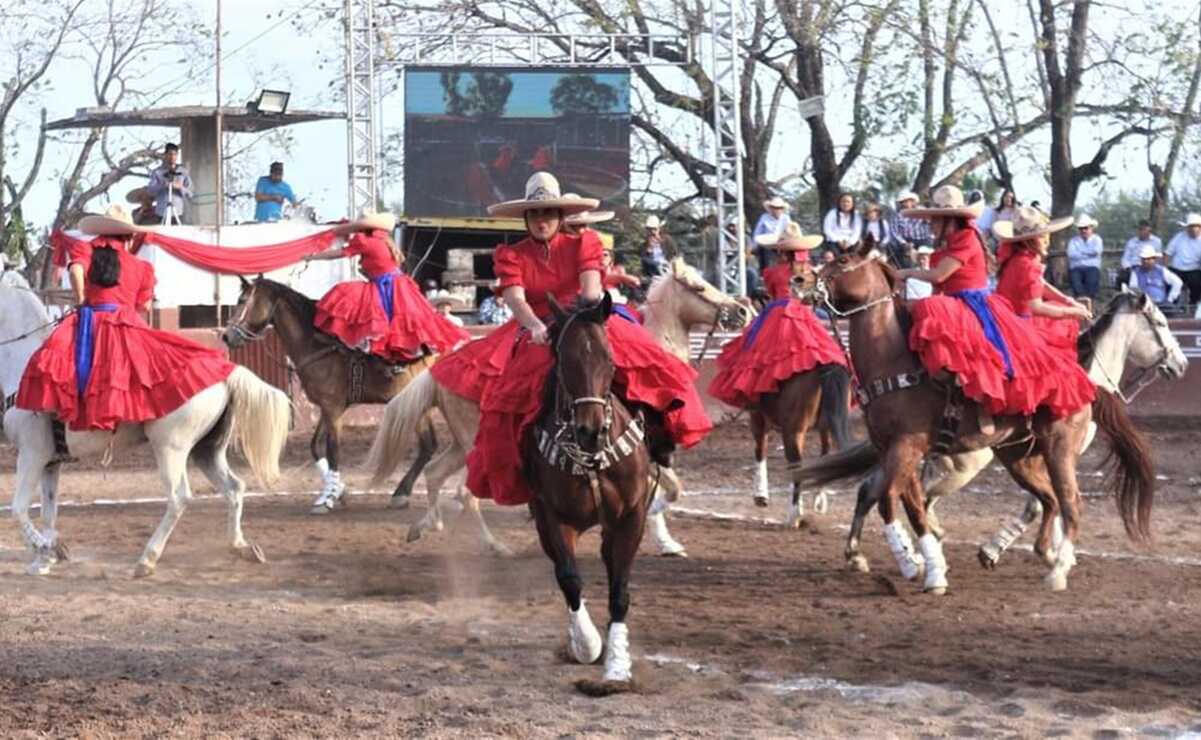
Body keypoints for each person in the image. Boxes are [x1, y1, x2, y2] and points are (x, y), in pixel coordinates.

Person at [426, 172, 712, 505]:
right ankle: (532, 468)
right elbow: (516, 298)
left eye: (548, 212)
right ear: (526, 219)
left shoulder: (584, 243)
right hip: (539, 328)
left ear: (561, 216)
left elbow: (591, 290)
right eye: (534, 213)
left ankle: (655, 448)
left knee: (643, 369)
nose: (541, 220)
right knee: (512, 398)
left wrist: (580, 320)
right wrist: (534, 325)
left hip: (582, 317)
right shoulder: (512, 254)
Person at [16, 205, 235, 432]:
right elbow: (145, 306)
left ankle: (58, 430)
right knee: (142, 370)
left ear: (101, 233)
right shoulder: (141, 267)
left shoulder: (85, 249)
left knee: (54, 360)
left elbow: (75, 271)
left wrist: (82, 300)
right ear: (129, 237)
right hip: (125, 321)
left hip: (90, 320)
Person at [892, 186, 1094, 419]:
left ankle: (962, 395)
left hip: (974, 302)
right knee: (922, 308)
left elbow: (939, 275)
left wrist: (907, 273)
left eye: (935, 220)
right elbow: (940, 284)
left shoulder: (968, 239)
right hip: (959, 301)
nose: (930, 225)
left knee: (930, 309)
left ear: (950, 220)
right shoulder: (958, 244)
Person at [709, 221, 846, 414]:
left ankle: (760, 400)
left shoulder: (773, 273)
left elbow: (773, 293)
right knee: (820, 349)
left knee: (759, 356)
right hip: (800, 313)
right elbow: (809, 299)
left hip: (776, 313)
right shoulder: (808, 272)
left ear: (782, 252)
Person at [305, 210, 469, 363]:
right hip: (398, 285)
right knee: (408, 322)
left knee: (344, 295)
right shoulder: (383, 240)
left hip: (386, 286)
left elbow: (338, 254)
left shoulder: (366, 242)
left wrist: (313, 257)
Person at [992, 207, 1093, 361]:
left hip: (1010, 318)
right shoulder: (1026, 263)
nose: (1047, 240)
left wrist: (1068, 301)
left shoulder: (1021, 257)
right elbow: (1036, 307)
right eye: (1042, 236)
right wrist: (1072, 312)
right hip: (1015, 325)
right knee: (1057, 362)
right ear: (1029, 240)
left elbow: (1041, 284)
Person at [146, 143, 192, 224]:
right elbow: (150, 190)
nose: (172, 157)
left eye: (175, 154)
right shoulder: (157, 172)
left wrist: (180, 187)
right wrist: (162, 185)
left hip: (178, 212)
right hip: (161, 211)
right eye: (170, 154)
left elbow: (191, 193)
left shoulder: (183, 172)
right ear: (165, 155)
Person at [1127, 243, 1183, 308]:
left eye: (1148, 259)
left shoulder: (1161, 270)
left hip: (1162, 305)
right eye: (1143, 259)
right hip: (1143, 306)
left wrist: (1170, 299)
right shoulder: (1135, 272)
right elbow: (1133, 288)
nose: (1145, 261)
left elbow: (1178, 282)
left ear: (1154, 259)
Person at [1166, 212, 1201, 307]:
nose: (1192, 229)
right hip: (1177, 268)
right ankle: (1170, 305)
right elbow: (1168, 253)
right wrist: (1163, 269)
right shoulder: (1179, 237)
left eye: (1195, 226)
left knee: (1197, 282)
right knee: (1166, 279)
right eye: (1190, 227)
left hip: (1194, 270)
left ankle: (1193, 305)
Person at [1066, 214, 1103, 301]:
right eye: (1081, 228)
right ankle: (1080, 307)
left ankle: (1089, 307)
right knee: (1077, 287)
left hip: (1092, 268)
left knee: (1091, 285)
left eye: (1085, 228)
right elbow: (1071, 254)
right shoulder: (1073, 240)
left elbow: (1096, 251)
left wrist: (1080, 253)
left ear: (1091, 228)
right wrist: (1088, 254)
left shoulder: (1097, 239)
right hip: (1076, 268)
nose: (1083, 230)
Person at [889, 191, 930, 268]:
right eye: (903, 202)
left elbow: (930, 224)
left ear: (913, 201)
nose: (905, 204)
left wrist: (926, 220)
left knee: (925, 258)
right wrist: (904, 243)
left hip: (924, 240)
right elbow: (894, 232)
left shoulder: (922, 211)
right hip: (908, 241)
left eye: (907, 201)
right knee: (906, 259)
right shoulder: (897, 215)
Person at [752, 196, 792, 271]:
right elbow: (757, 232)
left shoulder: (786, 218)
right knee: (768, 265)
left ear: (782, 209)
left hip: (782, 246)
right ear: (771, 208)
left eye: (779, 208)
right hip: (767, 245)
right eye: (775, 208)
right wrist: (754, 246)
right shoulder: (764, 217)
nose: (777, 210)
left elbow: (790, 231)